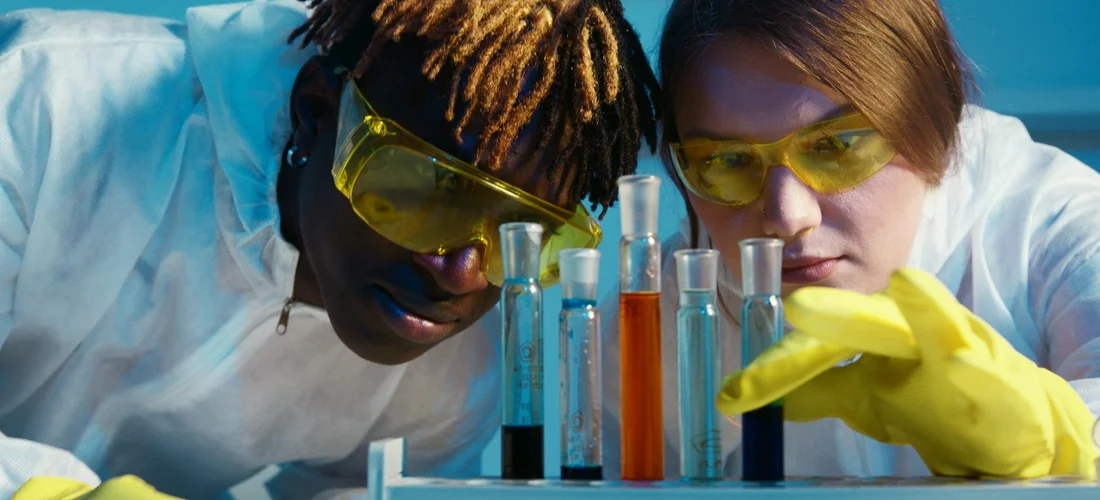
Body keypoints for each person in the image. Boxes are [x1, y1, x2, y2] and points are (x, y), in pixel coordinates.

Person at [0, 0, 659, 497]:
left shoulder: (455, 382)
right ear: (319, 112)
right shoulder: (41, 104)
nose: (461, 275)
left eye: (521, 231)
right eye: (431, 188)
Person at [599, 0, 1100, 479]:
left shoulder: (1060, 230)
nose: (787, 218)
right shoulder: (663, 308)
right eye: (726, 161)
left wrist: (1059, 442)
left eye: (836, 145)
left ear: (937, 122)